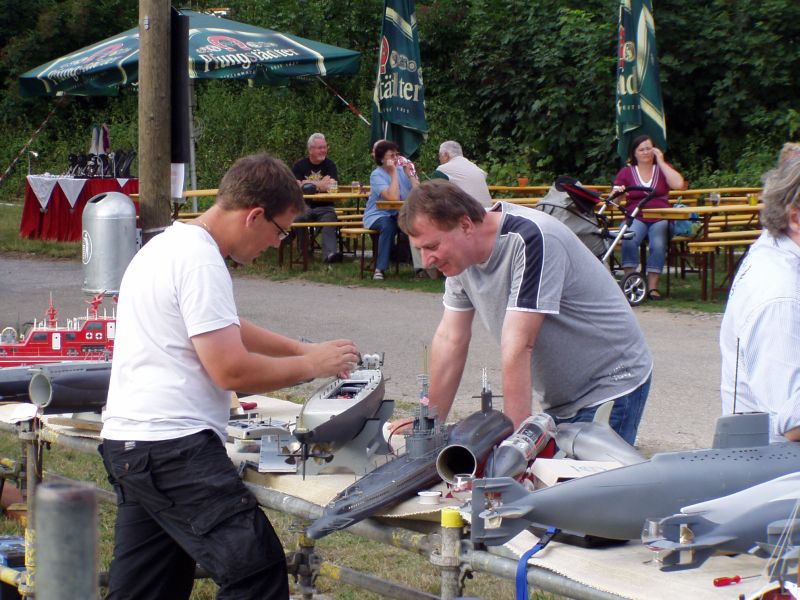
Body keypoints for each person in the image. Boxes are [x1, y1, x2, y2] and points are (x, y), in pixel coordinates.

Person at [100, 153, 360, 600]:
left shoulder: (168, 245)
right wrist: (311, 366)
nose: (276, 244)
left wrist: (301, 349)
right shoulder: (201, 261)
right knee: (255, 573)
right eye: (279, 231)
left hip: (132, 444)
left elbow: (225, 325)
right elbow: (230, 369)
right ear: (254, 216)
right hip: (172, 449)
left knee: (147, 589)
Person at [398, 179, 653, 445]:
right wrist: (427, 426)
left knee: (573, 473)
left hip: (611, 384)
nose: (426, 261)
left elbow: (518, 344)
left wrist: (515, 444)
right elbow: (451, 338)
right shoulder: (460, 259)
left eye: (432, 247)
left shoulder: (532, 238)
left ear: (465, 225)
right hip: (561, 400)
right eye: (420, 249)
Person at [720, 156, 800, 443]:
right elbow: (793, 424)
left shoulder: (775, 248)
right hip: (777, 464)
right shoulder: (780, 296)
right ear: (795, 218)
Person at [612, 135, 685, 301]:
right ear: (634, 153)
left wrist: (661, 161)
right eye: (641, 149)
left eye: (649, 148)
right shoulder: (626, 172)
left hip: (660, 216)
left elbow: (678, 184)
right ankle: (631, 282)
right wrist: (619, 193)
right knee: (628, 237)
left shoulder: (662, 169)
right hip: (636, 215)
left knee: (658, 243)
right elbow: (614, 200)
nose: (645, 152)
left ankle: (652, 287)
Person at [363, 140, 419, 280]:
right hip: (378, 214)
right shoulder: (377, 175)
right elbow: (392, 198)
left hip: (399, 213)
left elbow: (419, 193)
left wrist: (410, 174)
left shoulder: (402, 171)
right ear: (382, 159)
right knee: (388, 226)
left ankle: (422, 267)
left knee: (416, 224)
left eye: (396, 155)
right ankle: (380, 269)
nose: (396, 159)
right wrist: (393, 172)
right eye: (392, 156)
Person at [292, 133, 342, 263]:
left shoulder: (330, 165)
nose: (323, 150)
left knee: (330, 220)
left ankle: (329, 256)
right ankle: (304, 252)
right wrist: (321, 184)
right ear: (310, 150)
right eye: (320, 148)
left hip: (325, 207)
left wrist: (308, 184)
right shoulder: (299, 166)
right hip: (304, 206)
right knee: (298, 218)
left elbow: (331, 185)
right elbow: (297, 187)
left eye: (325, 147)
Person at [432, 140, 492, 207]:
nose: (439, 159)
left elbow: (433, 196)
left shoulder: (442, 169)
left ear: (446, 155)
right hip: (488, 210)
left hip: (468, 212)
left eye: (440, 155)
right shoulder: (477, 169)